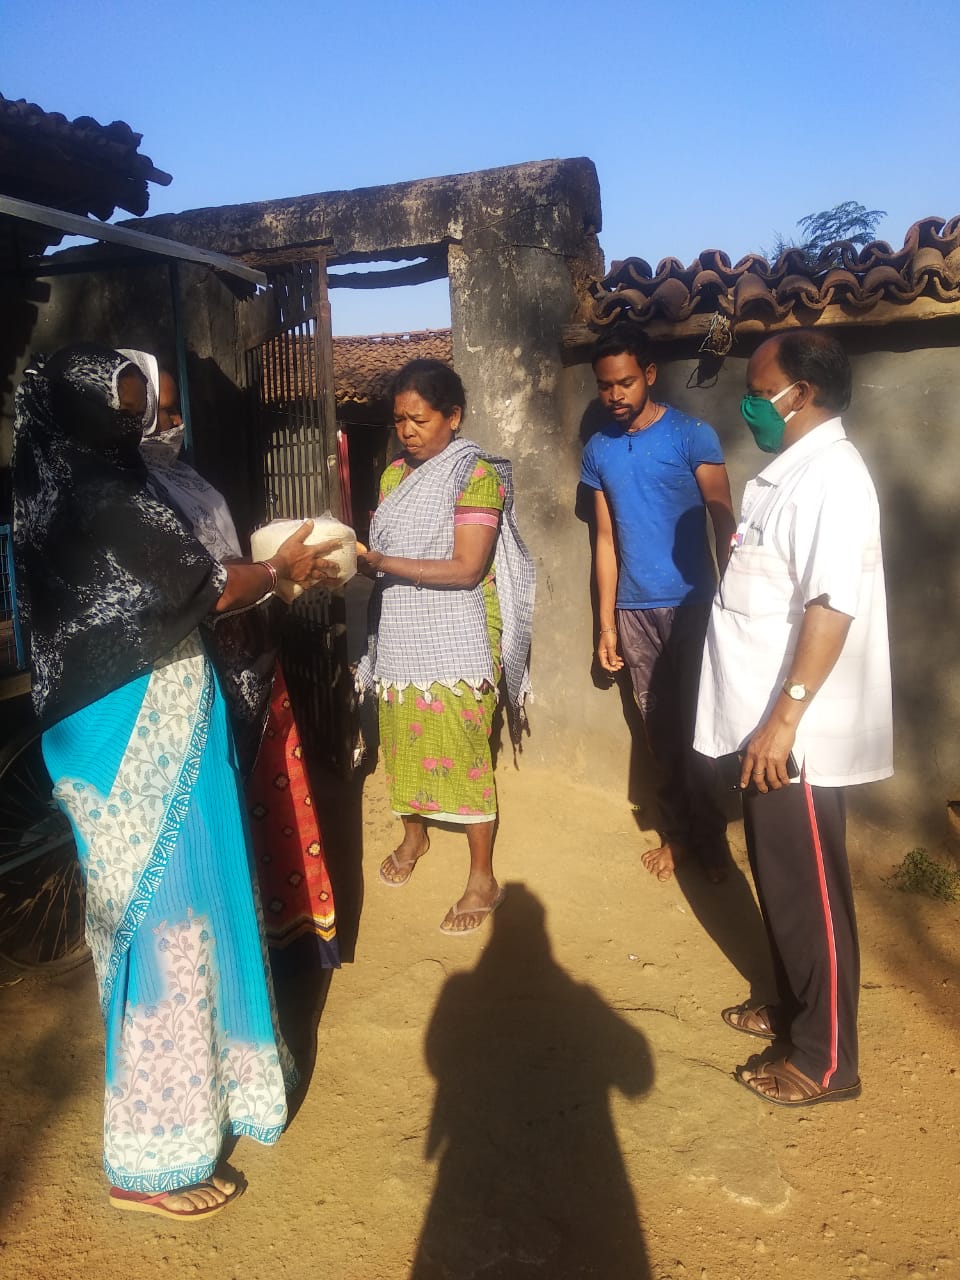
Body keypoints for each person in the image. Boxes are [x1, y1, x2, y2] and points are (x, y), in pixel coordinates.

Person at [11, 344, 339, 1218]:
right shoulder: (96, 494)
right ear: (77, 413)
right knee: (157, 920)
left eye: (139, 402)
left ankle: (220, 1092)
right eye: (119, 404)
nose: (136, 419)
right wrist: (278, 572)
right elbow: (195, 584)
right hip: (126, 729)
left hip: (166, 714)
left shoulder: (84, 483)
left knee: (202, 898)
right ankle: (147, 1154)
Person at [694, 330, 893, 1107]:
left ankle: (826, 1058)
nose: (749, 403)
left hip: (793, 735)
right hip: (764, 726)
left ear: (800, 394)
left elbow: (832, 605)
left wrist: (786, 720)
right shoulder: (793, 474)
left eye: (757, 389)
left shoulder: (833, 480)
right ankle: (793, 1006)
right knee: (781, 883)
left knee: (809, 888)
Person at [122, 350, 339, 966]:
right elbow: (193, 588)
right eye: (156, 414)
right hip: (190, 674)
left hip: (250, 654)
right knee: (216, 814)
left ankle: (284, 939)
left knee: (265, 799)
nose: (170, 424)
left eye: (174, 411)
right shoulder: (127, 493)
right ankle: (233, 954)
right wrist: (272, 572)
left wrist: (281, 580)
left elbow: (230, 557)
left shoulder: (190, 481)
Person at [356, 359, 535, 935]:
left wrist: (378, 561)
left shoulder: (474, 476)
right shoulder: (391, 478)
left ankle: (482, 876)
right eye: (400, 420)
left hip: (457, 633)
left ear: (453, 417)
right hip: (401, 634)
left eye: (420, 419)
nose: (407, 431)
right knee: (403, 744)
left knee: (463, 751)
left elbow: (465, 569)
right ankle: (414, 835)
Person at [581, 326, 736, 882]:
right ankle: (677, 836)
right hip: (633, 610)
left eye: (625, 382)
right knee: (659, 729)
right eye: (604, 387)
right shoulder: (598, 449)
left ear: (649, 375)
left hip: (695, 604)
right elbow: (605, 538)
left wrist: (734, 595)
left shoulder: (691, 436)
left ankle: (712, 838)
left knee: (703, 727)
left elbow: (722, 518)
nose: (615, 395)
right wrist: (606, 623)